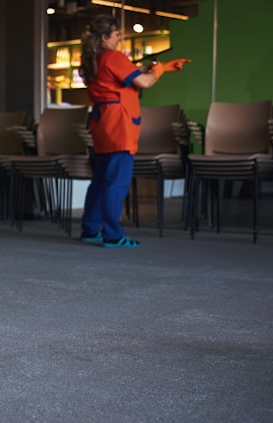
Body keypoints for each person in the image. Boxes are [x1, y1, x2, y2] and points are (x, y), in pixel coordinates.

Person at [78, 14, 190, 248]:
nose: (119, 38)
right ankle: (112, 235)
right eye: (116, 34)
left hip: (102, 122)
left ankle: (90, 229)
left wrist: (159, 68)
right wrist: (159, 71)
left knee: (100, 179)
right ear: (105, 37)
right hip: (119, 124)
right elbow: (144, 82)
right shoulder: (114, 57)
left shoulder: (94, 60)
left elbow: (124, 77)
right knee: (116, 181)